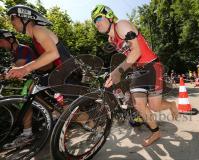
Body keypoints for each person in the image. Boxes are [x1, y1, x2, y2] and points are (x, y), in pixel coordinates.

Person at [91, 4, 178, 147]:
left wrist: (117, 72)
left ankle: (171, 104)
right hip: (138, 70)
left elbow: (136, 52)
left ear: (109, 17)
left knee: (155, 107)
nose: (97, 23)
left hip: (152, 66)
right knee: (139, 105)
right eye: (94, 21)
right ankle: (155, 132)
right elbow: (128, 56)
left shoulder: (122, 25)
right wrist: (116, 74)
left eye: (99, 18)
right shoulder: (111, 40)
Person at [4, 4, 72, 149]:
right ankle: (54, 115)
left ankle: (76, 121)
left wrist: (25, 68)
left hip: (66, 72)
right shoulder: (35, 36)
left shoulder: (37, 30)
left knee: (69, 111)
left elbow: (53, 54)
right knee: (31, 92)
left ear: (24, 17)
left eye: (13, 19)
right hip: (58, 73)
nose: (12, 23)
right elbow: (48, 61)